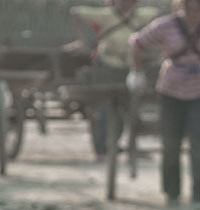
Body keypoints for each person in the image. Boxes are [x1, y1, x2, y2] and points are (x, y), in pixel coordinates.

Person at [128, 0, 200, 206]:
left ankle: (198, 192)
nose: (192, 11)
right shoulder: (166, 25)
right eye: (188, 6)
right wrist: (136, 72)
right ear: (181, 5)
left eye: (196, 7)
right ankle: (172, 193)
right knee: (171, 143)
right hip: (171, 89)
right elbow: (137, 42)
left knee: (198, 143)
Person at [68, 0, 158, 159]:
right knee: (104, 107)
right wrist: (82, 40)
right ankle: (102, 146)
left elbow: (158, 17)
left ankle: (123, 143)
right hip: (108, 65)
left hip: (131, 65)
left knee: (131, 106)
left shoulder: (141, 15)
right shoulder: (105, 15)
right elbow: (76, 11)